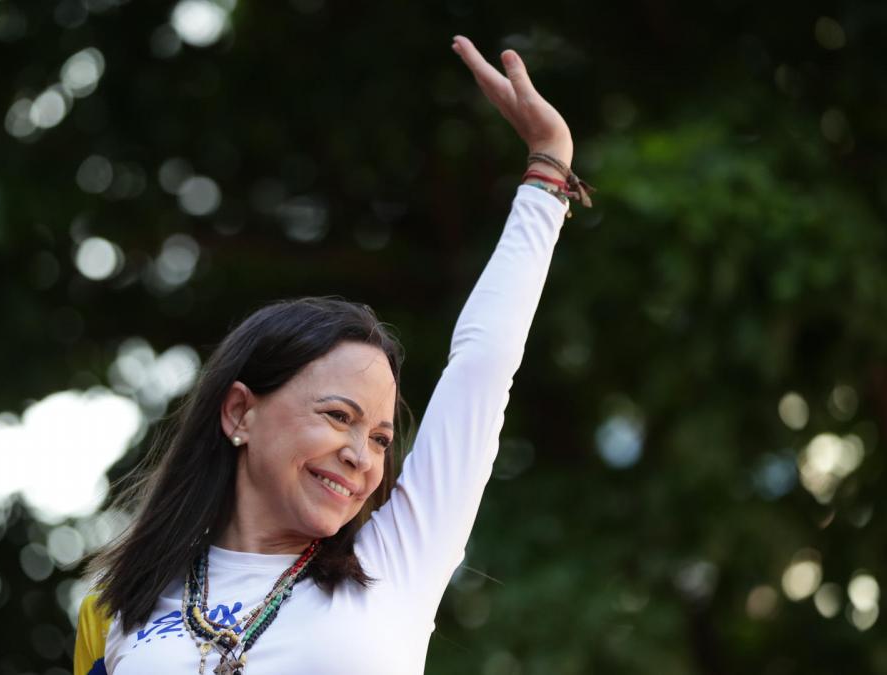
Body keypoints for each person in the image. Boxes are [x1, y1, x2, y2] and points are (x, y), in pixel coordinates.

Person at [74, 35, 591, 675]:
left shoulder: (396, 564)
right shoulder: (121, 610)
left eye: (379, 438)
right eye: (339, 416)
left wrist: (547, 172)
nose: (361, 456)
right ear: (240, 412)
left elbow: (482, 367)